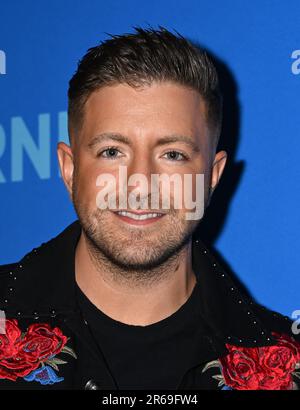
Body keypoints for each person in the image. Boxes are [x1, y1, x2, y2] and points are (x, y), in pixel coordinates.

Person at [0, 26, 299, 391]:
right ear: (70, 169)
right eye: (112, 152)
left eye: (172, 154)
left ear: (212, 177)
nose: (139, 183)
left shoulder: (288, 367)